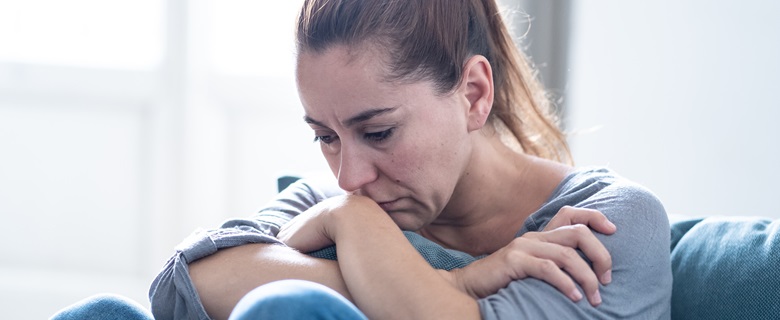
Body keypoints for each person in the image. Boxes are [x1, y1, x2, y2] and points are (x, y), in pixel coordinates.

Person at [147, 0, 672, 319]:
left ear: (472, 94)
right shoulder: (332, 205)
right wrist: (458, 280)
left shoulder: (605, 224)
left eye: (379, 132)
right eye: (325, 137)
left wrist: (358, 247)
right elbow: (186, 284)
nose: (350, 177)